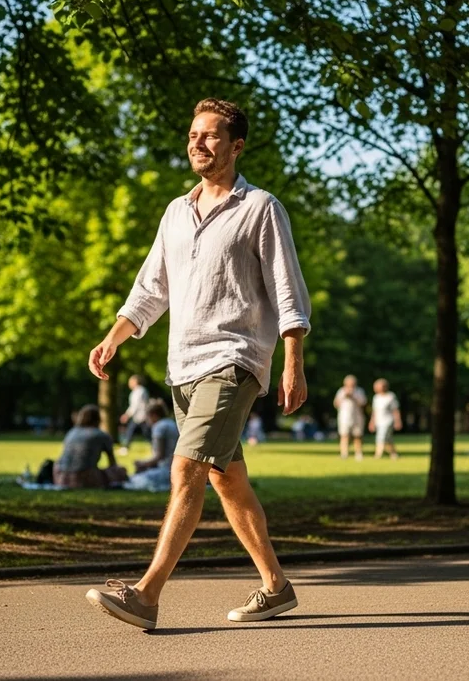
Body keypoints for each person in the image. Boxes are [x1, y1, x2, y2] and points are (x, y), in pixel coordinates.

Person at [84, 98, 310, 630]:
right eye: (192, 135)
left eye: (210, 135)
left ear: (236, 146)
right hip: (182, 365)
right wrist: (115, 336)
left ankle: (146, 595)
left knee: (185, 469)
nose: (198, 143)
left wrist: (292, 362)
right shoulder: (176, 212)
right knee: (225, 478)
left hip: (234, 359)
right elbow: (151, 287)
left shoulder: (260, 208)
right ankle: (276, 587)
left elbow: (287, 290)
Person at [54, 404, 126, 488]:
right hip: (85, 478)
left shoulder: (72, 432)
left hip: (61, 478)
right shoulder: (101, 435)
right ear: (98, 419)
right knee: (120, 471)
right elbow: (112, 463)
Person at [334, 375, 367, 461]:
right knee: (344, 435)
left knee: (357, 436)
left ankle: (358, 453)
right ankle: (344, 453)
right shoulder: (341, 391)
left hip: (357, 417)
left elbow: (363, 403)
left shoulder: (359, 391)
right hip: (344, 417)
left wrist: (353, 397)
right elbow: (336, 403)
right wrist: (344, 396)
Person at [368, 378, 402, 460]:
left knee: (381, 437)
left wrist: (398, 421)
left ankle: (378, 454)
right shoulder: (376, 397)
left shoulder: (390, 396)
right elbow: (375, 411)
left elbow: (395, 410)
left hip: (388, 421)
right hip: (379, 421)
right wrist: (372, 422)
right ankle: (393, 454)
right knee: (388, 439)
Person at [119, 375, 151, 456]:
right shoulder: (140, 390)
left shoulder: (139, 391)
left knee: (146, 433)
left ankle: (156, 446)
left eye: (130, 382)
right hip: (139, 416)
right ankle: (126, 447)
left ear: (135, 382)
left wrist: (127, 415)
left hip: (141, 416)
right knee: (131, 431)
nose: (129, 384)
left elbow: (135, 405)